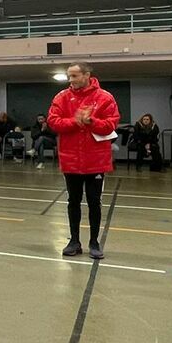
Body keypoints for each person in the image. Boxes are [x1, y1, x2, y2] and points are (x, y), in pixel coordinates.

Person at [47, 62, 119, 260]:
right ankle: (74, 241)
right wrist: (75, 121)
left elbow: (111, 124)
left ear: (87, 75)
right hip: (71, 159)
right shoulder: (61, 97)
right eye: (69, 76)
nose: (71, 80)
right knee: (73, 201)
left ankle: (94, 242)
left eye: (74, 76)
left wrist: (91, 122)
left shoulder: (104, 98)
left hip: (96, 159)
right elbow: (53, 121)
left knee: (95, 202)